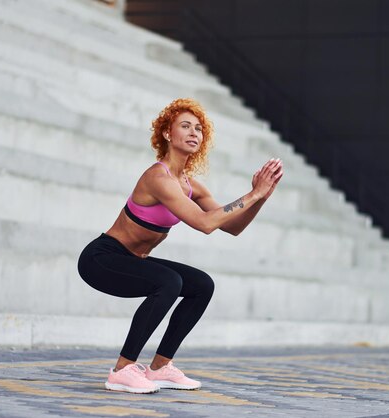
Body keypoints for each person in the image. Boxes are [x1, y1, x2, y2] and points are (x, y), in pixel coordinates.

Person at [77, 98, 284, 394]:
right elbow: (204, 223)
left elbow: (233, 227)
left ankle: (160, 368)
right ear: (167, 134)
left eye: (198, 128)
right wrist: (252, 195)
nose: (193, 132)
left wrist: (260, 196)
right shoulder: (157, 178)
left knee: (202, 284)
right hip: (101, 258)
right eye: (185, 126)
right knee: (169, 282)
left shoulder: (192, 186)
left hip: (133, 260)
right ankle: (122, 371)